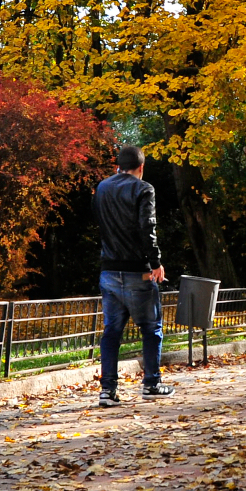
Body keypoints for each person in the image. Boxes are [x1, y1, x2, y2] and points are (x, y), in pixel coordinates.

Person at [94, 145, 175, 407]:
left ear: (118, 166)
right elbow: (147, 227)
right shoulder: (143, 189)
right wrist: (156, 263)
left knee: (111, 332)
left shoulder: (103, 187)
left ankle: (107, 391)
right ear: (141, 167)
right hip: (136, 271)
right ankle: (151, 383)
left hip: (108, 270)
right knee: (151, 329)